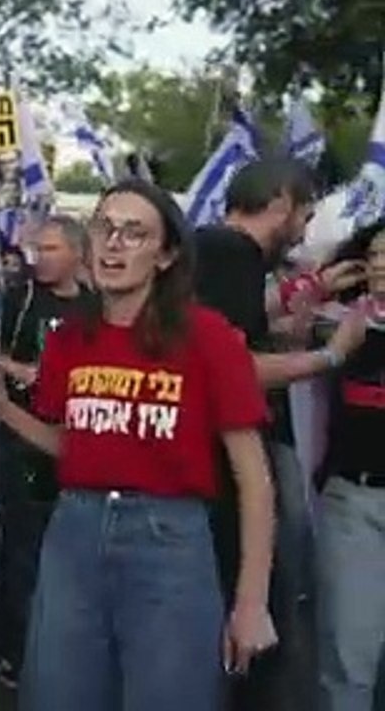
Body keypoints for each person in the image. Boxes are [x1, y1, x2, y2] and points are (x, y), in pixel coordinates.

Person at [0, 179, 278, 711]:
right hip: (74, 531)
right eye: (105, 228)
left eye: (134, 233)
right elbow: (75, 446)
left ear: (165, 256)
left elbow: (254, 477)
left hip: (170, 540)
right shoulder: (69, 339)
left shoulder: (207, 337)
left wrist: (252, 602)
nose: (114, 244)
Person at [195, 159, 368, 710]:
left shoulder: (217, 253)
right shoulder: (232, 252)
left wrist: (315, 285)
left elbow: (233, 324)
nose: (304, 230)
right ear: (279, 204)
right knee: (257, 612)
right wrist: (332, 353)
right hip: (222, 466)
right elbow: (232, 365)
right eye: (304, 214)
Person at [0, 214, 93, 687]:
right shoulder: (21, 297)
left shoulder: (95, 306)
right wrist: (22, 371)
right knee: (24, 546)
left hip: (79, 442)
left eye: (51, 249)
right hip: (21, 438)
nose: (41, 258)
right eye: (38, 249)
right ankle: (15, 650)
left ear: (76, 253)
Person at [316, 219, 385, 711]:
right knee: (348, 656)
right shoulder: (338, 325)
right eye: (375, 253)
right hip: (354, 503)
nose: (381, 264)